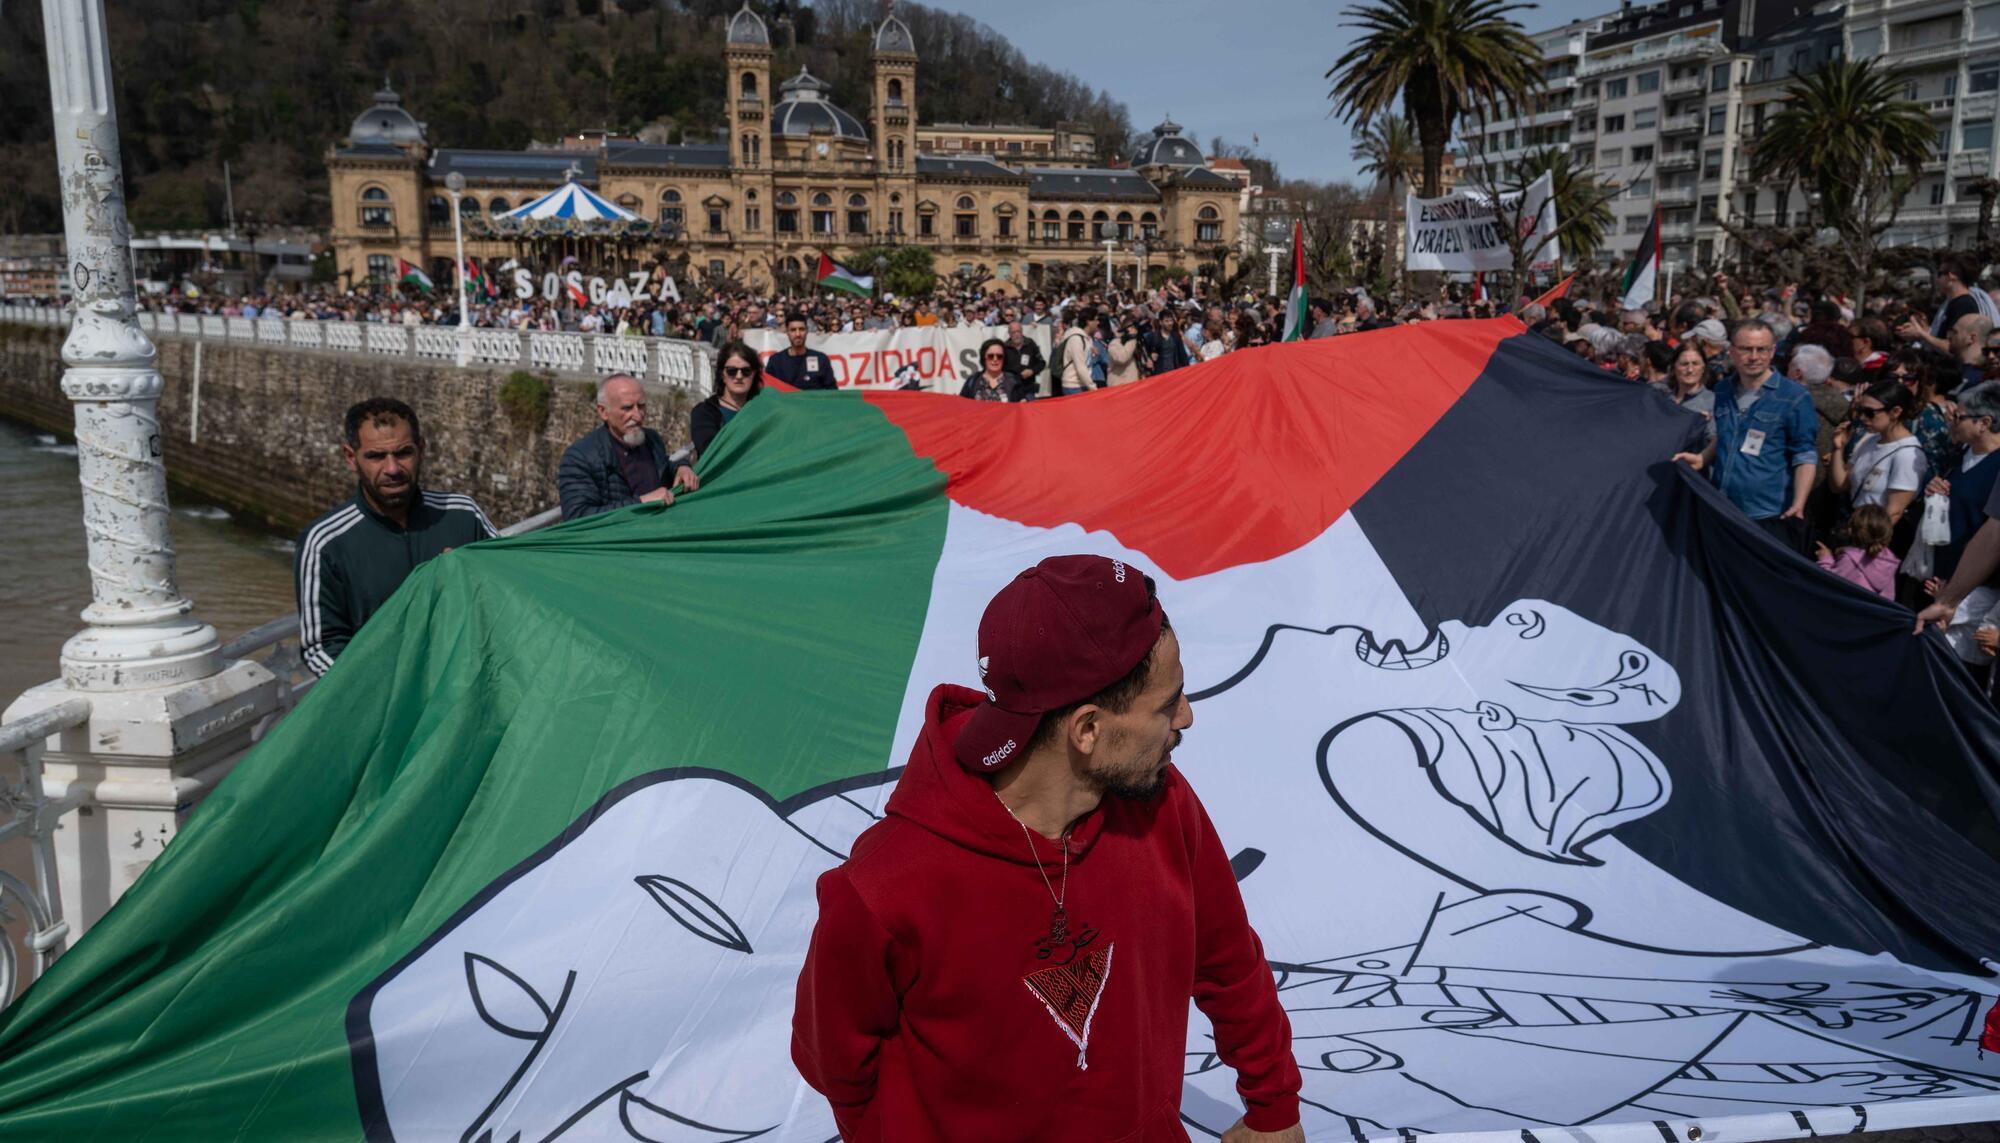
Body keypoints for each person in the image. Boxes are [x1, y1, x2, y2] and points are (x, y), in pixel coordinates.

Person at [791, 555, 1304, 1143]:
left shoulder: (1163, 805)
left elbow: (1228, 962)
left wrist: (1274, 1110)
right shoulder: (884, 887)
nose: (1186, 718)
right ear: (1086, 730)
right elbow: (835, 1063)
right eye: (1167, 704)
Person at [295, 398, 496, 677]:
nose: (392, 469)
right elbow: (321, 648)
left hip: (465, 690)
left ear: (421, 449)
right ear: (351, 458)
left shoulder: (463, 514)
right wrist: (388, 694)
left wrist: (467, 575)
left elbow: (507, 590)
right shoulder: (324, 542)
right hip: (387, 706)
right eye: (376, 456)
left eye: (403, 453)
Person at [1673, 321, 1818, 552]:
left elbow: (1805, 454)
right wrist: (1703, 458)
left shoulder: (1795, 397)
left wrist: (1799, 503)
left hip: (1768, 514)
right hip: (1723, 507)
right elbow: (1727, 434)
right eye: (1745, 349)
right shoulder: (1722, 390)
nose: (1753, 356)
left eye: (1761, 349)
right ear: (1732, 352)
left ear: (1772, 352)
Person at [557, 373, 699, 521]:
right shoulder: (580, 457)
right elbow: (578, 516)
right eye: (627, 408)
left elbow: (664, 465)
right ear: (603, 412)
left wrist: (681, 467)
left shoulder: (651, 439)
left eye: (641, 406)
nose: (638, 416)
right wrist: (641, 503)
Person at [1926, 381, 2000, 583]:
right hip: (1938, 569)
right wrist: (1932, 490)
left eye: (1959, 418)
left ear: (1984, 423)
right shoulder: (1959, 453)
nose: (1952, 423)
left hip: (1972, 584)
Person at [1828, 381, 1925, 527]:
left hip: (1871, 536)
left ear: (1896, 412)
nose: (1862, 417)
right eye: (1860, 410)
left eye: (1869, 413)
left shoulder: (1908, 454)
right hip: (1851, 526)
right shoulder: (1870, 440)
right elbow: (1839, 486)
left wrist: (1864, 545)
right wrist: (1838, 448)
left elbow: (1893, 513)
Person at [1900, 254, 2000, 354]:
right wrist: (1924, 330)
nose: (1937, 279)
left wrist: (1921, 334)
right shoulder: (1951, 304)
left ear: (1951, 276)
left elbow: (1952, 348)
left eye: (1940, 274)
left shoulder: (1964, 304)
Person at [690, 341, 763, 460]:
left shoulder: (763, 408)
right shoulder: (704, 413)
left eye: (746, 371)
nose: (739, 376)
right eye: (731, 371)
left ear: (754, 374)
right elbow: (709, 449)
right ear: (722, 375)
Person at [1815, 503, 1899, 599]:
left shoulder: (1850, 559)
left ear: (1851, 530)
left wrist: (1825, 559)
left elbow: (1831, 583)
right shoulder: (1889, 561)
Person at [763, 310, 838, 390]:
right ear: (787, 332)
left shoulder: (821, 359)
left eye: (801, 329)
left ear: (807, 331)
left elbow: (832, 392)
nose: (798, 334)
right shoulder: (775, 361)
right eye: (793, 330)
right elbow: (768, 392)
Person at [959, 338, 1032, 402]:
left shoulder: (1014, 381)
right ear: (984, 358)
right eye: (991, 356)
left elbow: (1022, 407)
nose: (995, 359)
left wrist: (1024, 400)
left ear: (1004, 358)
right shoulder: (972, 381)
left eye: (999, 356)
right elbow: (961, 405)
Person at [1055, 310, 1097, 396]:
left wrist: (1094, 355)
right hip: (1073, 385)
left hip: (1084, 383)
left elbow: (1088, 363)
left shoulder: (1087, 338)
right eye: (1096, 319)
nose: (1098, 322)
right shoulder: (1076, 339)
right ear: (1088, 322)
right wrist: (1093, 388)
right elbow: (1080, 366)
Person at [1002, 320, 1047, 397]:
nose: (1016, 334)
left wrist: (1032, 371)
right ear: (1009, 334)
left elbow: (1042, 363)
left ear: (1022, 332)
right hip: (1012, 389)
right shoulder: (1004, 348)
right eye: (1013, 332)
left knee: (1030, 409)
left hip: (1028, 389)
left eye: (1018, 331)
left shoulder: (1030, 344)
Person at [1107, 320, 1144, 386]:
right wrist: (1132, 339)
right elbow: (1121, 359)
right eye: (1131, 328)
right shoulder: (1115, 343)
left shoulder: (1136, 343)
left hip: (1134, 385)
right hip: (1120, 386)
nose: (1134, 330)